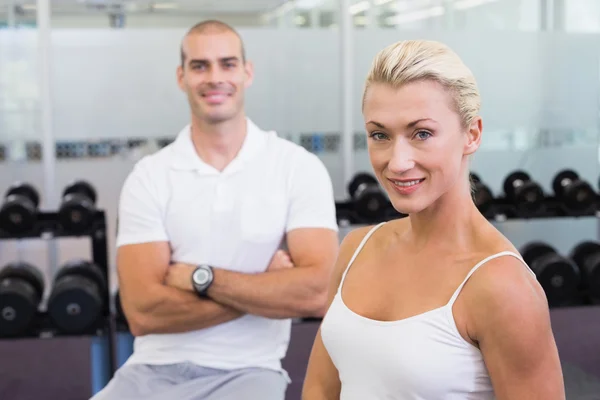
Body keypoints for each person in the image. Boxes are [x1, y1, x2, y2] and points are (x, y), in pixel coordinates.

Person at [302, 40, 565, 399]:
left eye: (421, 134)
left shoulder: (502, 287)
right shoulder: (355, 249)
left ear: (471, 134)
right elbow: (320, 388)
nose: (397, 162)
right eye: (380, 135)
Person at [91, 20, 339, 400]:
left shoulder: (296, 168)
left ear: (247, 72)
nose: (214, 77)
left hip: (250, 372)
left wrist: (198, 277)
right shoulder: (150, 176)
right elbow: (142, 313)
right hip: (150, 370)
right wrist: (263, 288)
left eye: (227, 63)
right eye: (200, 66)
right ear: (181, 76)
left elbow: (317, 292)